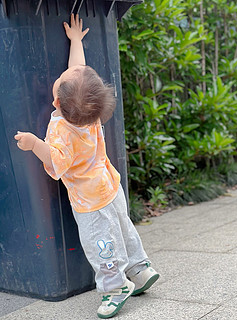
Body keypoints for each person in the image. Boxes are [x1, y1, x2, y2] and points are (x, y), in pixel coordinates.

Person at [14, 14, 159, 319]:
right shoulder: (90, 113)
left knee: (101, 242)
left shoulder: (61, 131)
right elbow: (76, 75)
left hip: (90, 202)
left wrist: (33, 143)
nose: (72, 69)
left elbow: (55, 161)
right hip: (109, 185)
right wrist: (76, 41)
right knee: (122, 226)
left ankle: (115, 286)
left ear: (56, 103)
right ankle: (140, 268)